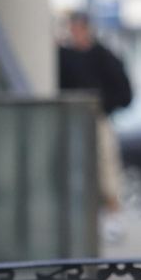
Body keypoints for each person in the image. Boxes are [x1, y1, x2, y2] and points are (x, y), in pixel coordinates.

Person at [57, 12, 133, 214]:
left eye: (77, 29)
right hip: (70, 120)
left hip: (97, 118)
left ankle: (112, 212)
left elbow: (124, 93)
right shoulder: (65, 57)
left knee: (106, 166)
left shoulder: (104, 57)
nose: (74, 33)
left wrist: (102, 105)